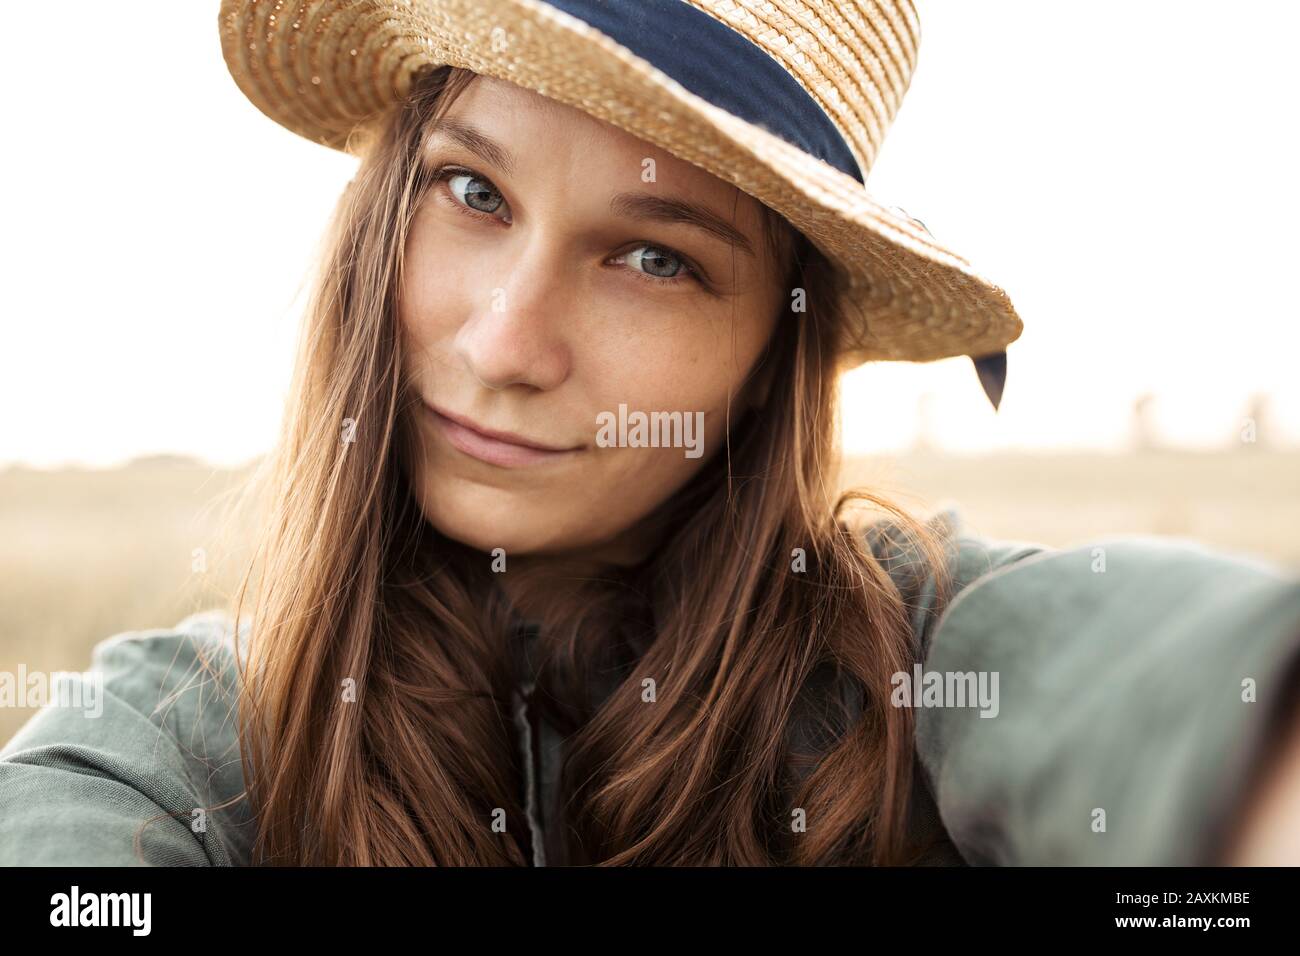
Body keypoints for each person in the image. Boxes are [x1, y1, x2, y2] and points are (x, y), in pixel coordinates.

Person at [2, 0, 1298, 867]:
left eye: (652, 258)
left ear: (772, 350)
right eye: (472, 191)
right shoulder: (179, 740)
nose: (508, 343)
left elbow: (1168, 690)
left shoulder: (925, 663)